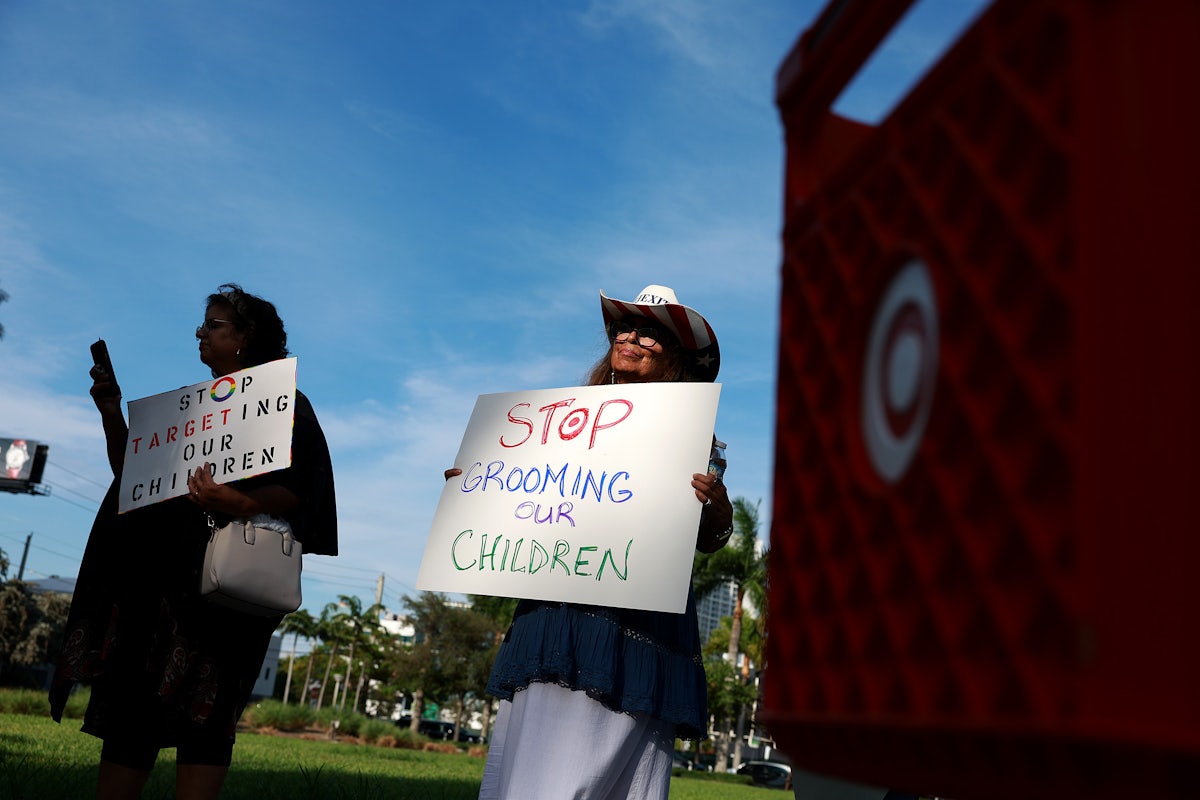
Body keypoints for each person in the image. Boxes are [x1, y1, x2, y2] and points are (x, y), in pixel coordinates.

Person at [49, 283, 337, 800]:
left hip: (225, 595)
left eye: (215, 325)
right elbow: (132, 477)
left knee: (209, 713)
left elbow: (306, 488)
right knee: (133, 708)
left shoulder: (286, 405)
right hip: (156, 586)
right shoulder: (191, 411)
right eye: (202, 325)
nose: (201, 334)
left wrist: (242, 504)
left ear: (248, 336)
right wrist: (111, 411)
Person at [452, 284, 734, 800]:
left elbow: (712, 538)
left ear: (675, 356)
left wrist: (716, 503)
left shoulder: (693, 437)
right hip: (559, 614)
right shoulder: (557, 425)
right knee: (534, 766)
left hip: (637, 620)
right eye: (623, 328)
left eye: (650, 332)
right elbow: (524, 505)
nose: (630, 337)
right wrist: (476, 486)